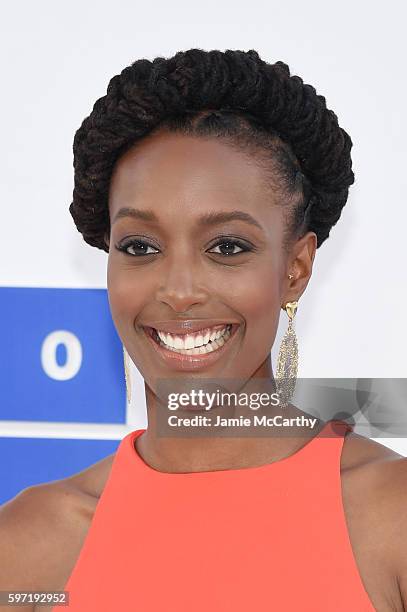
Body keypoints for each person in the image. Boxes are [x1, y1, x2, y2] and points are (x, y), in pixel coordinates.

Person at [0, 48, 406, 611]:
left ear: (295, 269)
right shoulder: (29, 545)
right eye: (140, 247)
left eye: (227, 247)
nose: (179, 289)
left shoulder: (392, 518)